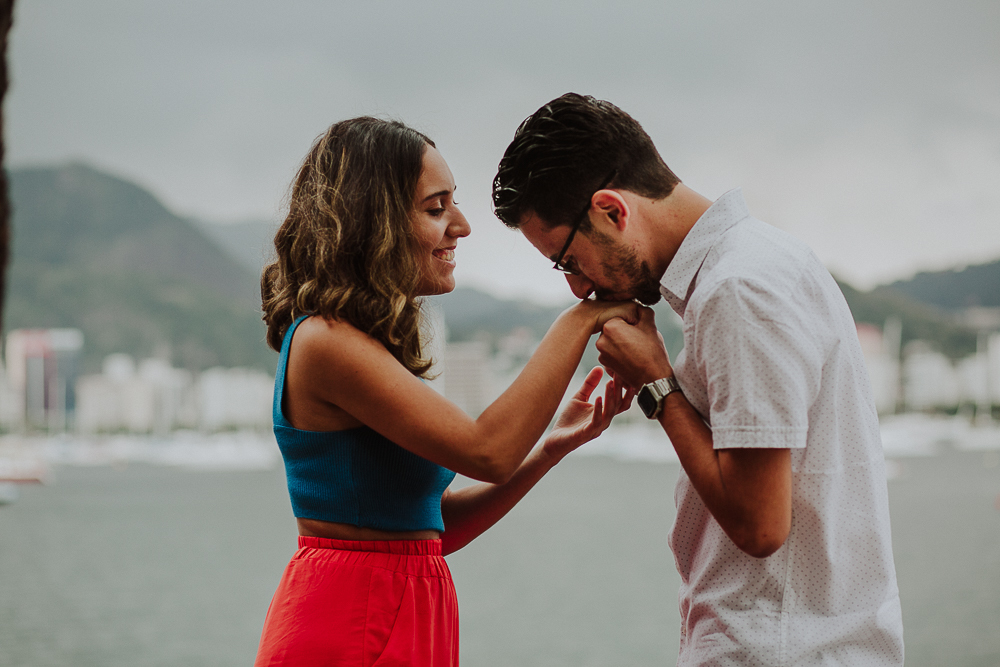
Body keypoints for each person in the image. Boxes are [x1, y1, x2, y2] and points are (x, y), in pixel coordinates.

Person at [492, 93, 905, 666]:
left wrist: (657, 385)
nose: (578, 288)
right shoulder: (763, 261)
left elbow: (760, 526)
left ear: (611, 210)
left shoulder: (737, 291)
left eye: (568, 261)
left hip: (778, 651)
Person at [254, 116, 637, 667]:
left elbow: (432, 527)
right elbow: (487, 451)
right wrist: (581, 318)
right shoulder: (325, 341)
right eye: (437, 208)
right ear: (376, 221)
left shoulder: (358, 343)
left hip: (395, 611)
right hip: (352, 620)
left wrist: (549, 449)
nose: (462, 225)